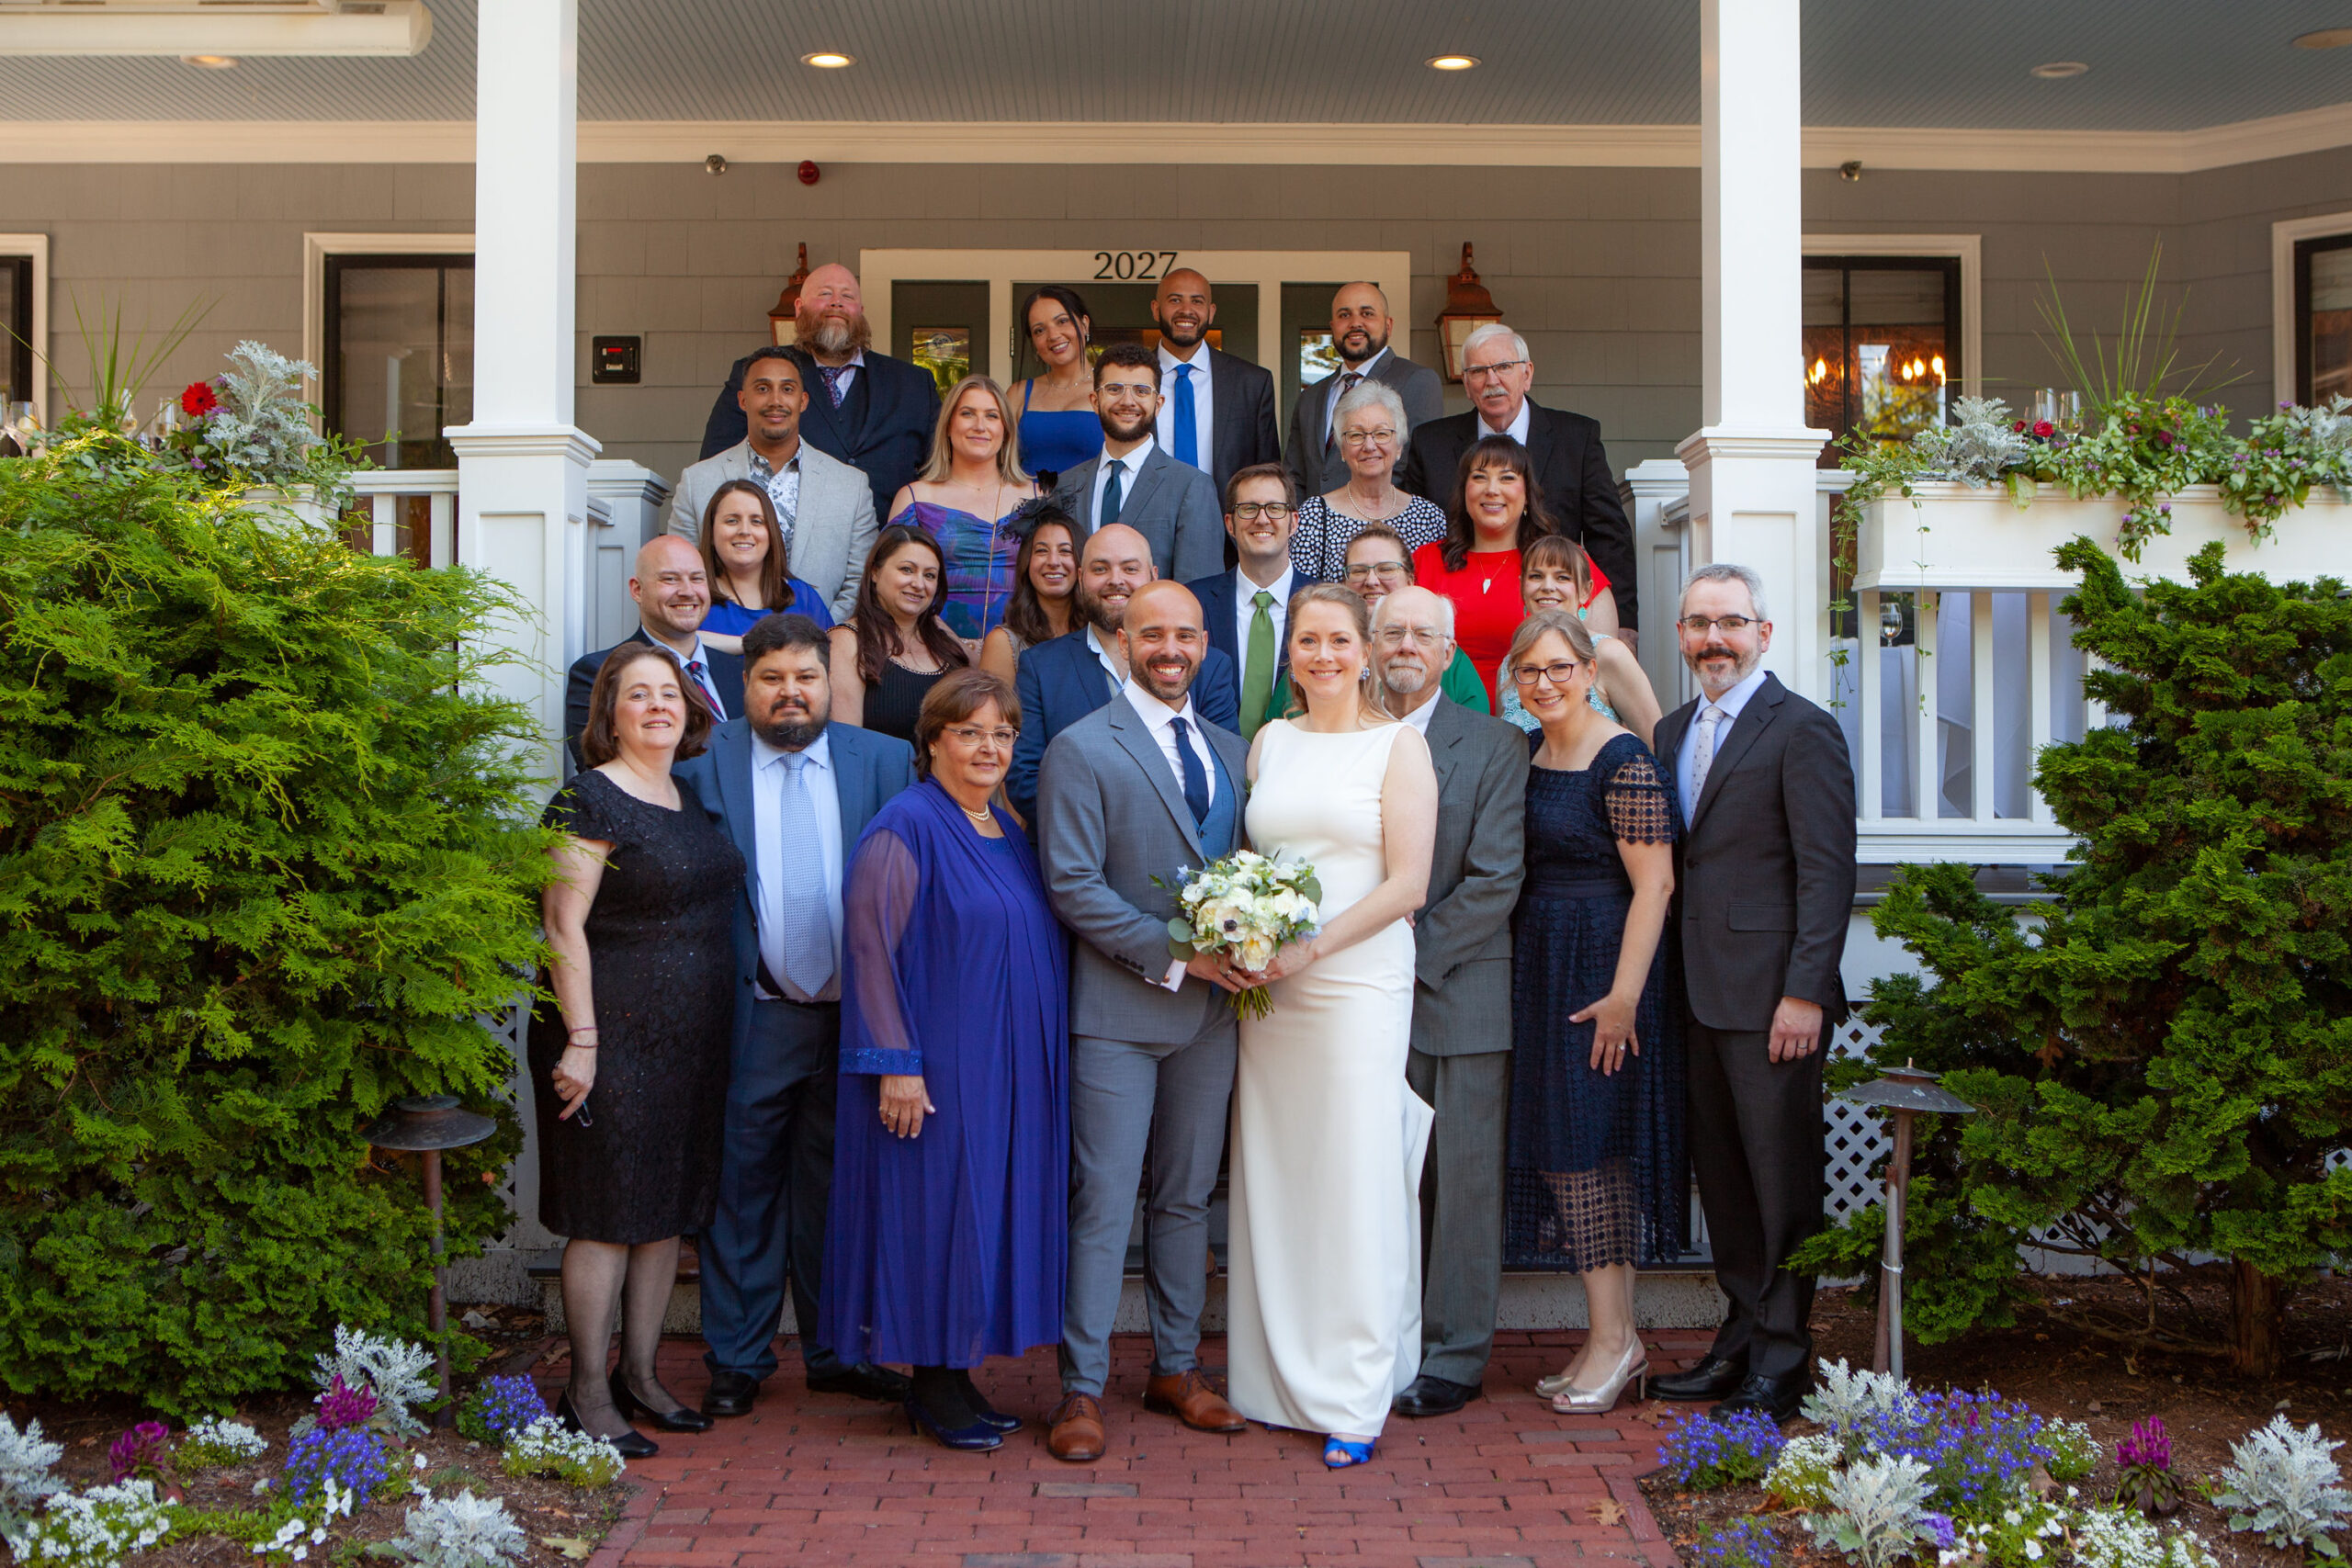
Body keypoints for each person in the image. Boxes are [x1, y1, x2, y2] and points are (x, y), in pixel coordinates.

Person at [818, 670, 1070, 1453]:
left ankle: (957, 1373)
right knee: (935, 1211)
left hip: (1008, 1065)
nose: (988, 747)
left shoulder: (1008, 827)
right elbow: (868, 948)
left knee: (983, 1212)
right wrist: (896, 1061)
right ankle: (929, 1381)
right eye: (969, 732)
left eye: (1001, 733)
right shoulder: (906, 825)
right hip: (940, 1068)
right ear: (932, 742)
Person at [675, 614, 919, 1419]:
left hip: (855, 1019)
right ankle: (739, 1358)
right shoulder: (706, 767)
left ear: (828, 681)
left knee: (839, 1188)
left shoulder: (882, 762)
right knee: (742, 1191)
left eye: (805, 677)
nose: (790, 693)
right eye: (772, 679)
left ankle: (837, 1350)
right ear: (744, 687)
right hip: (757, 1013)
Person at [1035, 579, 1252, 1464]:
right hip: (1121, 1012)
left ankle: (1175, 1367)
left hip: (1213, 1016)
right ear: (1121, 640)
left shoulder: (1234, 750)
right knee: (1103, 1201)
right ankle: (1080, 1388)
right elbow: (1073, 885)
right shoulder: (1081, 748)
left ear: (1207, 646)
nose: (1170, 649)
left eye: (1186, 635)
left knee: (1185, 1197)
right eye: (1151, 633)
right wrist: (1176, 955)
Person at [1226, 583, 1438, 1470]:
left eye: (1338, 640)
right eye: (1307, 640)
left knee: (1354, 1175)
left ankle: (1355, 1389)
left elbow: (1407, 885)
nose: (1321, 655)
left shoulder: (1397, 747)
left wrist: (1309, 951)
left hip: (1354, 985)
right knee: (1278, 1173)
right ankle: (1273, 1377)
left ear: (1364, 648)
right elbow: (1252, 857)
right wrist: (1241, 930)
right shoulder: (1269, 741)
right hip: (1268, 994)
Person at [1647, 564, 1855, 1424]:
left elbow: (1827, 871)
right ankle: (1740, 1338)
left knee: (1779, 1179)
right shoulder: (1669, 730)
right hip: (1695, 997)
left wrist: (1805, 993)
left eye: (1730, 622)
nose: (1712, 639)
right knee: (1725, 1180)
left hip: (1773, 1000)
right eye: (1698, 623)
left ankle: (1785, 1354)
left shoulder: (1801, 729)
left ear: (1763, 634)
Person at [532, 643, 740, 1458]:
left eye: (670, 694)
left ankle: (642, 1376)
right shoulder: (585, 799)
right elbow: (560, 926)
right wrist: (582, 1041)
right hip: (606, 1036)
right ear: (609, 713)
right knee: (609, 1213)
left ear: (689, 711)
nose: (658, 705)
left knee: (665, 1214)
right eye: (638, 694)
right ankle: (584, 1390)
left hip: (690, 1039)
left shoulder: (687, 798)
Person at [1502, 610, 1684, 1416]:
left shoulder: (1624, 756)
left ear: (1590, 669)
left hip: (1602, 970)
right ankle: (1604, 1332)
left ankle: (1619, 1341)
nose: (1544, 683)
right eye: (1529, 671)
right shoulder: (1537, 751)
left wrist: (1624, 997)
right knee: (1564, 1151)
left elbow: (1657, 884)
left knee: (1588, 1155)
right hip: (1543, 963)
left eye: (1558, 668)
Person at [1365, 587, 1531, 1421]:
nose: (1404, 645)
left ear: (1449, 649)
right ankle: (1379, 1338)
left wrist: (1406, 958)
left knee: (1459, 1182)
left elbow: (1497, 877)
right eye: (1390, 630)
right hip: (1355, 1002)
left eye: (1421, 634)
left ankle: (1455, 1354)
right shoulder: (1342, 734)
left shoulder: (1496, 745)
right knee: (1374, 1176)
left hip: (1455, 989)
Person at [1400, 323, 1640, 642]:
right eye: (1478, 371)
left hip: (1553, 622)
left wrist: (1624, 628)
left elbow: (1610, 536)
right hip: (1457, 617)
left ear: (1527, 374)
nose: (1492, 380)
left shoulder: (1576, 437)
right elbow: (1416, 530)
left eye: (1503, 367)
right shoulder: (1431, 443)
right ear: (1467, 385)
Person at [1006, 523, 1238, 824]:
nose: (1115, 581)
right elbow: (1026, 780)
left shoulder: (1208, 666)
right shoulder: (1041, 667)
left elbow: (1225, 774)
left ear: (1153, 576)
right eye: (1100, 569)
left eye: (1130, 569)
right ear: (1080, 578)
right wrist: (1118, 836)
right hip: (1080, 856)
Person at [699, 263, 943, 524]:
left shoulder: (914, 384)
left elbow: (942, 471)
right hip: (785, 549)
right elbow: (717, 462)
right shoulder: (757, 376)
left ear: (860, 312)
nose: (836, 303)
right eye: (825, 294)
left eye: (847, 296)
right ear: (799, 308)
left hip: (890, 547)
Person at [671, 345, 877, 620]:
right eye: (763, 388)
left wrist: (818, 636)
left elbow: (859, 581)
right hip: (720, 643)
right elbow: (681, 572)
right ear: (743, 401)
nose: (776, 400)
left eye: (788, 389)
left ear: (803, 402)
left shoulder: (850, 486)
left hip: (819, 647)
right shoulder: (698, 481)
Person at [1412, 434, 1616, 707]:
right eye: (1480, 477)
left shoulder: (1563, 562)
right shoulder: (1425, 560)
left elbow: (1603, 664)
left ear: (1527, 494)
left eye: (1507, 478)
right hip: (1442, 724)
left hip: (1537, 721)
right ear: (1464, 491)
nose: (1492, 489)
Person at [1051, 344, 1225, 582]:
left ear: (1159, 403)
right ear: (1094, 400)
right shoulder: (1066, 485)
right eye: (1114, 389)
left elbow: (1198, 593)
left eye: (1142, 391)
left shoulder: (1192, 487)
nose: (1127, 401)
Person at [887, 375, 1041, 642]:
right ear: (948, 425)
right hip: (932, 646)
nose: (980, 426)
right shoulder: (914, 498)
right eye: (968, 414)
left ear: (1006, 429)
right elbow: (890, 586)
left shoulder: (1039, 497)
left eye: (991, 416)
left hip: (1025, 647)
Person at [566, 536, 743, 767]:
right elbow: (602, 773)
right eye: (670, 579)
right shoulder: (596, 673)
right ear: (637, 590)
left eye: (697, 579)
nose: (688, 591)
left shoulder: (739, 671)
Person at [1497, 535, 1663, 746]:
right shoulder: (1510, 664)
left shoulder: (1609, 654)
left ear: (1586, 591)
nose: (1547, 587)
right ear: (1522, 588)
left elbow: (1657, 744)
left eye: (1562, 577)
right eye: (1536, 576)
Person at [1285, 283, 1444, 499]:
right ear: (1333, 326)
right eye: (1344, 315)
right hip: (1314, 528)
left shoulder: (1417, 381)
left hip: (1384, 528)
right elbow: (1294, 477)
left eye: (1367, 313)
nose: (1355, 323)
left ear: (1388, 325)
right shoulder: (1310, 397)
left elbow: (1417, 471)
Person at [1291, 381, 1450, 583]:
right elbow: (1302, 599)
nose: (1369, 445)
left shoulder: (1430, 519)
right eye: (1356, 435)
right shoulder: (1313, 517)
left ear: (1399, 446)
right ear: (1342, 449)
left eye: (1381, 434)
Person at [1148, 267, 1281, 501]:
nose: (1186, 310)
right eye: (1175, 300)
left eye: (1197, 302)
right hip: (1145, 530)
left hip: (1227, 531)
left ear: (1211, 312)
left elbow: (1268, 473)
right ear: (1156, 310)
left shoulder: (1252, 383)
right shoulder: (1131, 380)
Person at [1184, 463, 1296, 738]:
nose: (1262, 519)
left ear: (1294, 522)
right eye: (1248, 508)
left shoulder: (1326, 605)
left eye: (1275, 508)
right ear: (1229, 524)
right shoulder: (1193, 603)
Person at [828, 525, 969, 741]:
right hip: (880, 774)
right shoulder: (846, 641)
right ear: (875, 572)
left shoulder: (944, 643)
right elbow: (848, 746)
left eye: (930, 575)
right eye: (906, 570)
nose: (918, 584)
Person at [1341, 525, 1489, 714]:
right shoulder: (1324, 654)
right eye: (1358, 571)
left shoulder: (1447, 656)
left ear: (1410, 581)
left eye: (1386, 569)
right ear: (1344, 583)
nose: (1371, 581)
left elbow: (1477, 732)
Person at [693, 481, 836, 653]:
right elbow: (670, 642)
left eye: (757, 521)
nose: (745, 531)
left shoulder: (803, 598)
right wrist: (747, 644)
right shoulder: (692, 597)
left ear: (771, 533)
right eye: (732, 521)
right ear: (711, 533)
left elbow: (830, 664)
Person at [978, 505, 1080, 686]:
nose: (1053, 562)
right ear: (1027, 562)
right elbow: (993, 713)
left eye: (1065, 551)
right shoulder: (1004, 643)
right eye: (1041, 551)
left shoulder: (1097, 633)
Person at [1012, 285, 1102, 482]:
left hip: (1091, 512)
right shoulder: (1018, 394)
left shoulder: (1111, 390)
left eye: (1062, 321)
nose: (1053, 336)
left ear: (1084, 324)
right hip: (1029, 511)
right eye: (1039, 330)